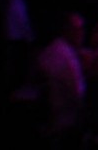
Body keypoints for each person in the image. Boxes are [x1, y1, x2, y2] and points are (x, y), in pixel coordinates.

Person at [36, 11, 87, 145]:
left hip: (46, 119)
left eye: (82, 29)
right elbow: (79, 94)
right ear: (67, 30)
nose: (81, 34)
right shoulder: (68, 57)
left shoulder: (49, 50)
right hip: (64, 121)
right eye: (77, 30)